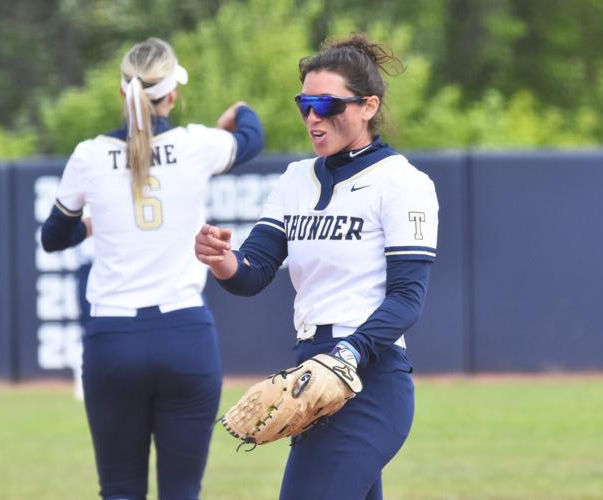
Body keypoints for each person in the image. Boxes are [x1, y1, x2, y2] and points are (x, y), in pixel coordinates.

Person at [194, 33, 438, 500]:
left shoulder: (403, 182)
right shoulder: (295, 180)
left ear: (368, 106)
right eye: (305, 103)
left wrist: (346, 354)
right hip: (311, 375)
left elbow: (408, 298)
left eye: (328, 103)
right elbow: (253, 271)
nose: (313, 116)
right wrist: (224, 260)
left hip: (370, 378)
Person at [40, 37, 263, 500]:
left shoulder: (89, 155)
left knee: (120, 492)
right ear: (172, 95)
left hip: (114, 339)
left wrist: (91, 225)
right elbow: (252, 137)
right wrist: (238, 110)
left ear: (123, 93)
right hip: (185, 335)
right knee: (181, 493)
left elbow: (53, 237)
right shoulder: (196, 144)